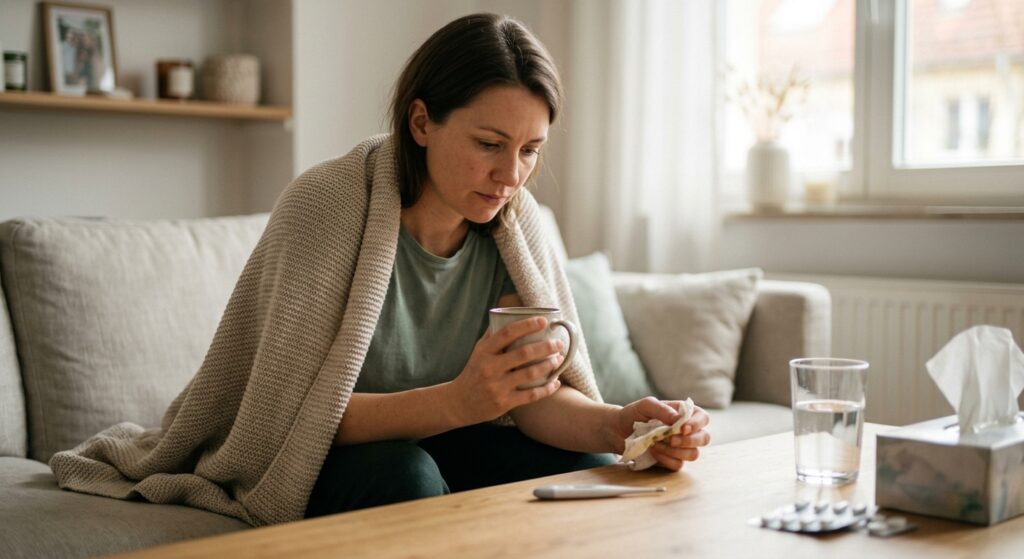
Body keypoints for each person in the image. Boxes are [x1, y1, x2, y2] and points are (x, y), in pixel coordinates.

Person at [50, 13, 710, 526]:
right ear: (422, 122)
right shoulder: (324, 206)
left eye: (530, 150)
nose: (510, 175)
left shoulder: (516, 226)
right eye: (488, 144)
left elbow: (531, 399)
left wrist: (623, 425)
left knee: (593, 468)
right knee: (408, 477)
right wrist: (458, 401)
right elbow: (289, 417)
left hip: (453, 438)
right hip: (321, 456)